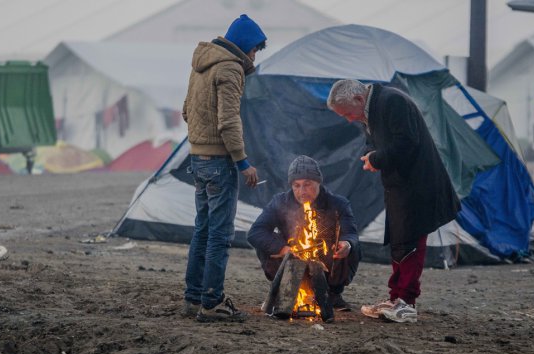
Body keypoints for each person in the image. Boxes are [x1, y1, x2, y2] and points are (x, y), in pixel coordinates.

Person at [327, 79, 461, 323]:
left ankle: (407, 302)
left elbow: (407, 142)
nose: (348, 119)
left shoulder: (392, 101)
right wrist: (370, 155)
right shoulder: (371, 109)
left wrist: (376, 159)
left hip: (419, 185)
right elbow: (374, 141)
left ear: (358, 99)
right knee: (399, 239)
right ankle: (395, 297)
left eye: (347, 113)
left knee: (411, 240)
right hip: (399, 186)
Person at [182, 14, 267, 322]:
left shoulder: (200, 64)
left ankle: (193, 298)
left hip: (197, 159)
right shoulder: (230, 67)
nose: (255, 55)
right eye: (255, 49)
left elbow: (185, 111)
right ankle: (212, 302)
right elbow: (229, 121)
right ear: (245, 45)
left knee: (202, 230)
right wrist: (243, 163)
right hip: (219, 162)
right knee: (220, 234)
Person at [247, 155, 361, 315]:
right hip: (292, 263)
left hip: (325, 264)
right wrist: (283, 249)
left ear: (318, 183)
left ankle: (333, 294)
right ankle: (286, 288)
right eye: (297, 185)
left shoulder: (338, 204)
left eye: (307, 185)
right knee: (266, 242)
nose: (302, 191)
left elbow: (351, 234)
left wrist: (346, 244)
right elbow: (255, 232)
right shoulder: (280, 202)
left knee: (352, 246)